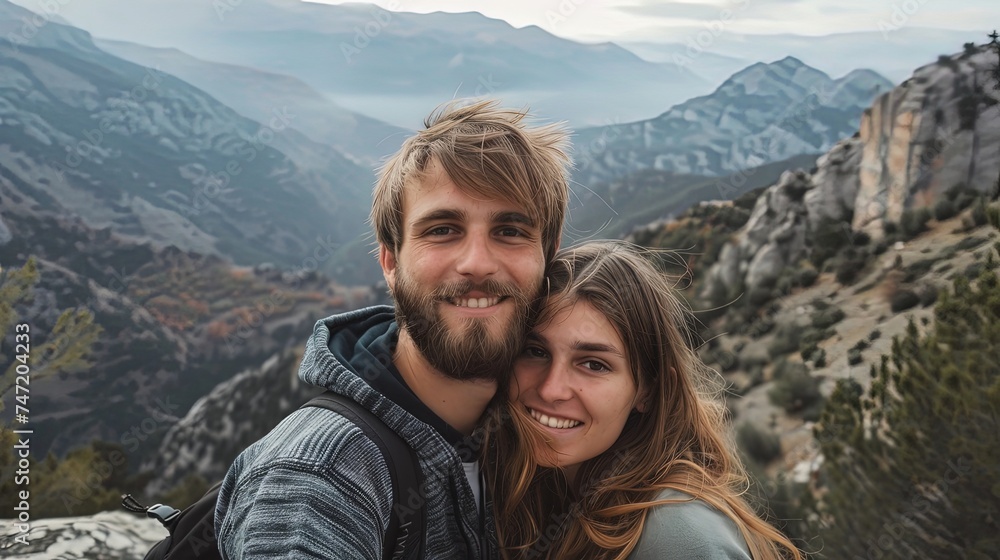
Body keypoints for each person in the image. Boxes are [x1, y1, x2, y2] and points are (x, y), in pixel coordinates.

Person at [214, 99, 571, 559]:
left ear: (548, 256)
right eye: (443, 230)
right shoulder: (320, 478)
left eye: (511, 230)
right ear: (390, 262)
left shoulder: (532, 432)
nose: (477, 263)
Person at [485, 241, 803, 560]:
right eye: (536, 352)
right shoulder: (543, 495)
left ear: (647, 392)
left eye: (594, 364)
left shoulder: (676, 539)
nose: (551, 389)